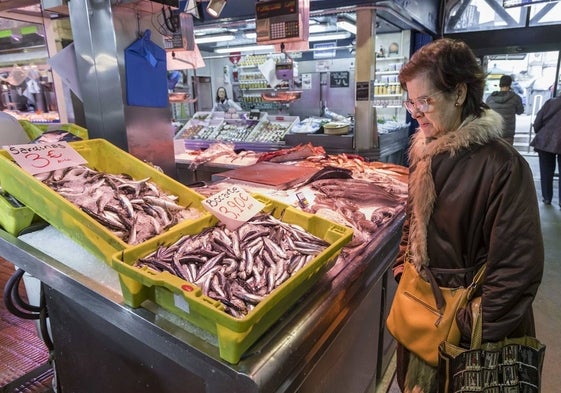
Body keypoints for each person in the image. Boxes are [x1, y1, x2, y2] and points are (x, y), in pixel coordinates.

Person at [393, 38, 544, 393]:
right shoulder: (426, 153)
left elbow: (518, 270)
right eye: (411, 102)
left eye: (425, 101)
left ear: (459, 93)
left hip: (468, 336)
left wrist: (464, 327)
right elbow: (412, 221)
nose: (416, 112)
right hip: (424, 316)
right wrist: (404, 269)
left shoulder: (502, 166)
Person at [530, 95, 561, 207]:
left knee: (546, 171)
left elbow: (538, 121)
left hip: (545, 141)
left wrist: (541, 132)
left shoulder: (550, 102)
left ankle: (547, 198)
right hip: (550, 141)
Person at [485, 74, 524, 145]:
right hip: (508, 134)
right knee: (507, 155)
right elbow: (520, 111)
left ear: (500, 84)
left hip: (493, 133)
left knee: (493, 155)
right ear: (510, 84)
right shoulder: (516, 98)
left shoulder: (490, 98)